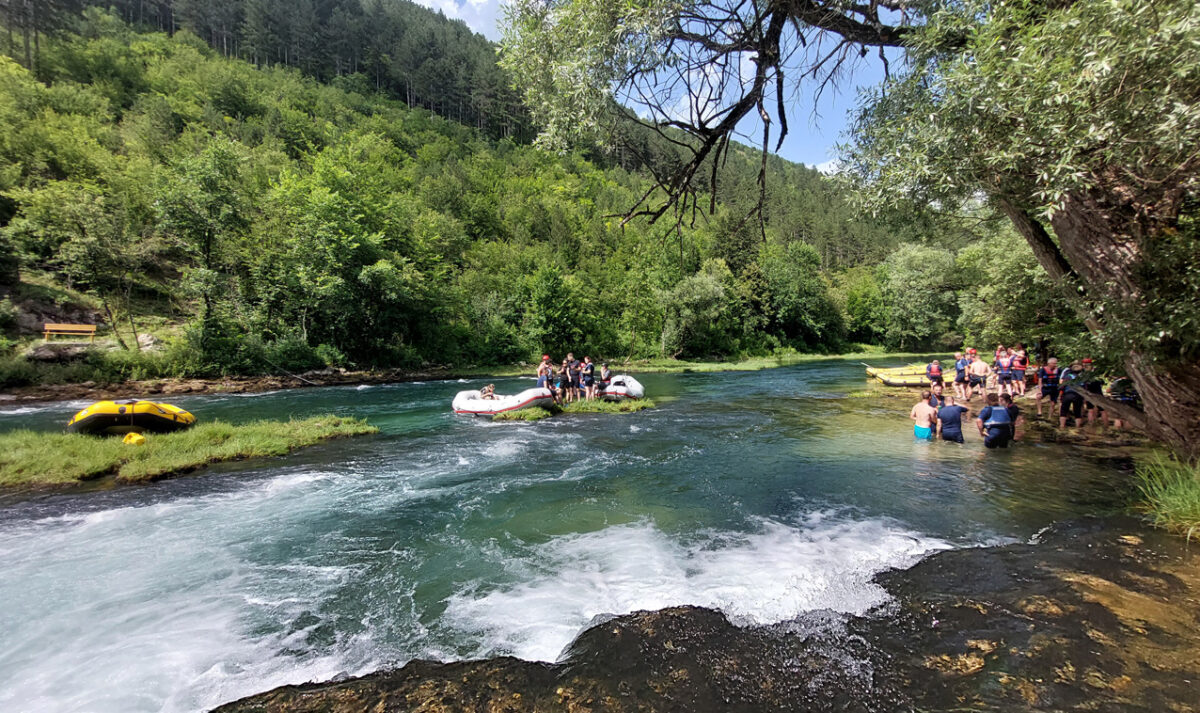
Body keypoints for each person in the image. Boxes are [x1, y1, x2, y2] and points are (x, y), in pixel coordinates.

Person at [1058, 360, 1086, 428]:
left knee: (1063, 411)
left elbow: (1062, 386)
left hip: (1067, 394)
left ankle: (1062, 427)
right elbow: (1085, 387)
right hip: (1078, 395)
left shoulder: (1067, 375)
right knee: (1077, 412)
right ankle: (1078, 427)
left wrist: (1060, 394)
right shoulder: (1083, 376)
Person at [1079, 358, 1106, 425]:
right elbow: (1102, 382)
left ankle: (1091, 424)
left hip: (1090, 393)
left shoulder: (1082, 373)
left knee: (1091, 410)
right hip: (1096, 393)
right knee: (1102, 410)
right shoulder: (1096, 373)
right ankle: (1105, 426)